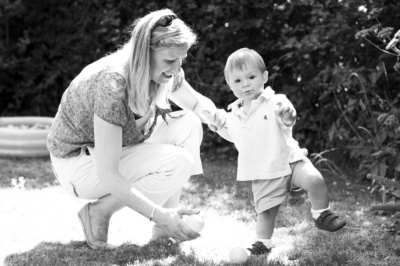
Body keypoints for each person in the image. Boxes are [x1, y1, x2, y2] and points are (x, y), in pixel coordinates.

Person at [47, 8, 225, 249]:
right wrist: (159, 213)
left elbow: (194, 104)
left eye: (180, 60)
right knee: (179, 161)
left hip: (115, 148)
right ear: (144, 52)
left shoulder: (163, 71)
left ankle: (163, 230)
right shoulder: (112, 85)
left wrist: (217, 117)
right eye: (170, 60)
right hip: (76, 164)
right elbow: (108, 174)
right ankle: (99, 212)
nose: (176, 69)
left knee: (189, 124)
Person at [203, 48, 346, 255]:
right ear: (229, 84)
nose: (246, 84)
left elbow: (288, 118)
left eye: (251, 77)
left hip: (290, 160)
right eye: (238, 81)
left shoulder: (275, 100)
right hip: (263, 171)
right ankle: (263, 242)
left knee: (314, 179)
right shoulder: (234, 113)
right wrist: (217, 125)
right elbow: (234, 135)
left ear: (265, 76)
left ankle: (321, 214)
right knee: (266, 212)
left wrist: (288, 116)